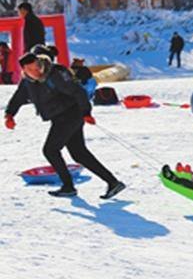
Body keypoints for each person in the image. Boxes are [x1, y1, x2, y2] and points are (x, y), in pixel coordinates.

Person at [4, 52, 125, 198]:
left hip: (71, 114)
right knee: (79, 153)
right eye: (30, 70)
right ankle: (113, 182)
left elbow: (78, 91)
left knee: (50, 150)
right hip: (59, 117)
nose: (35, 72)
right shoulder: (27, 81)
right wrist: (9, 114)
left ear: (40, 64)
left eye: (37, 68)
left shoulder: (55, 73)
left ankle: (68, 186)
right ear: (24, 70)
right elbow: (18, 97)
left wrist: (86, 112)